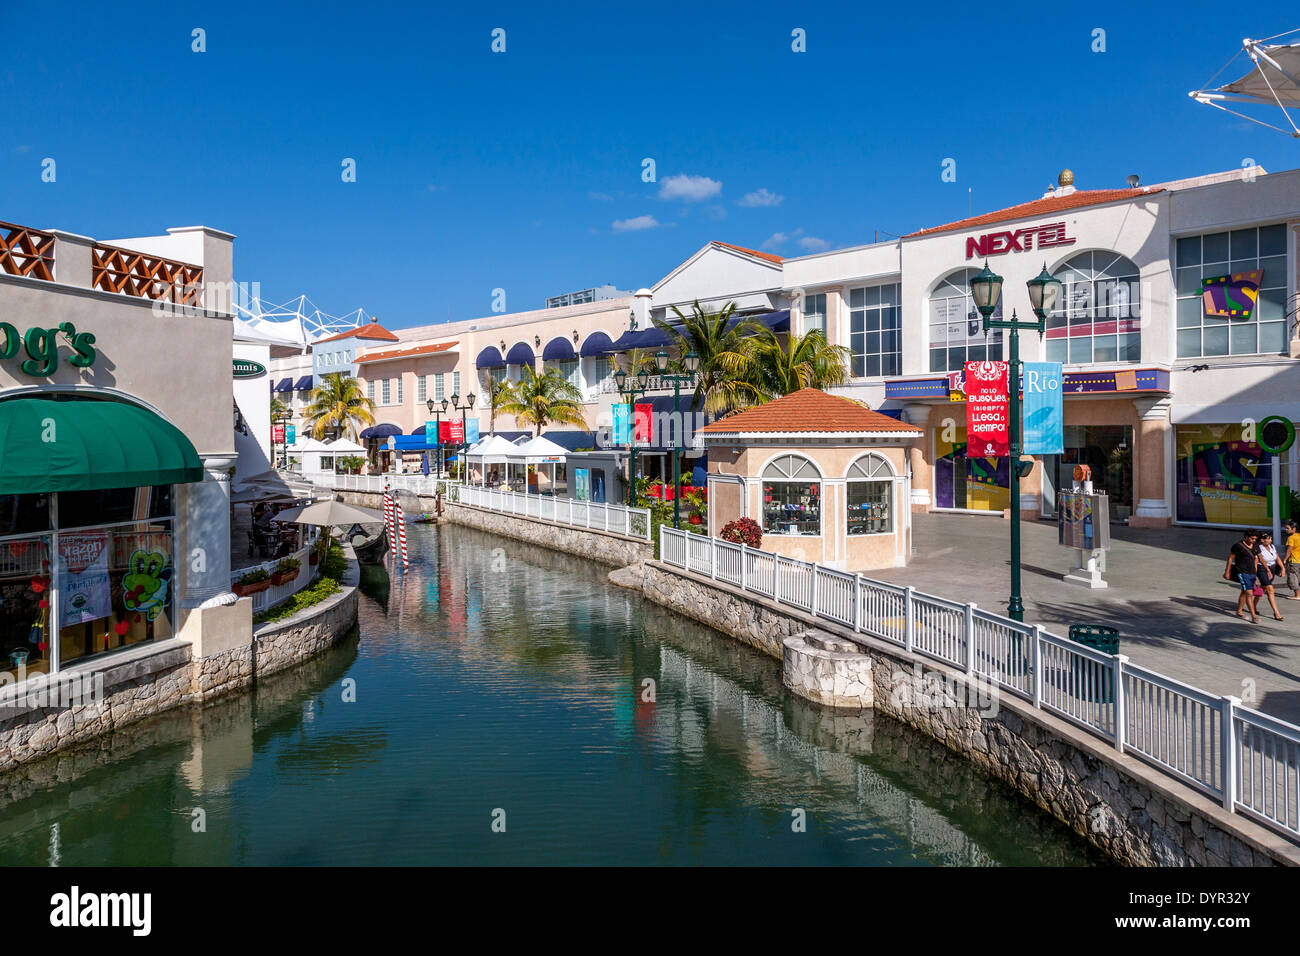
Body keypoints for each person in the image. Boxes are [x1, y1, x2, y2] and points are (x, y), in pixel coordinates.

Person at [1225, 529, 1261, 623]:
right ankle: (1254, 616)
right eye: (1252, 538)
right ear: (1246, 537)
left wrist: (1256, 575)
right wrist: (1227, 571)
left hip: (1252, 573)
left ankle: (1239, 611)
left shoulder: (1256, 546)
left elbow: (1256, 560)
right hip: (1242, 572)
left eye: (1255, 539)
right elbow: (1230, 558)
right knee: (1249, 593)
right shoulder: (1238, 546)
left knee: (1244, 592)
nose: (1253, 540)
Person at [1255, 530, 1284, 622]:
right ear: (1262, 540)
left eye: (1271, 539)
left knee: (1264, 589)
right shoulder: (1258, 548)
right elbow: (1259, 561)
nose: (1270, 540)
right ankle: (1276, 612)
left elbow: (1277, 557)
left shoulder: (1272, 546)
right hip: (1262, 569)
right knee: (1270, 590)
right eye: (1268, 539)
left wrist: (1283, 568)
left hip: (1272, 568)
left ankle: (1253, 605)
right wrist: (1265, 571)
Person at [1285, 518, 1300, 601]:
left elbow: (1289, 550)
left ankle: (1297, 595)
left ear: (1293, 529)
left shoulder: (1291, 538)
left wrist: (1284, 559)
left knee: (1293, 578)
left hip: (1294, 561)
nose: (1286, 530)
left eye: (1288, 528)